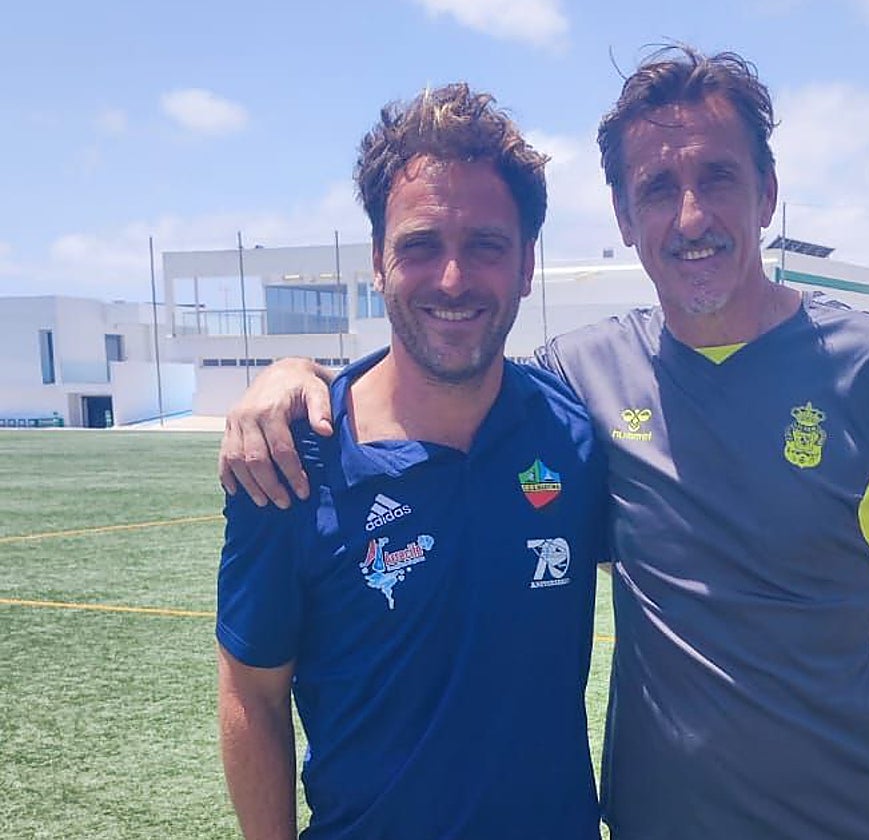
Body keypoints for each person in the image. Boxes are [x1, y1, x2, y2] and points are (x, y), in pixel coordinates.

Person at [220, 47, 869, 840]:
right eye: (657, 189)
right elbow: (250, 691)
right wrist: (288, 371)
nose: (690, 218)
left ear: (768, 194)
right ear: (624, 215)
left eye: (717, 177)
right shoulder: (560, 389)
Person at [215, 84, 610, 840]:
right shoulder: (289, 458)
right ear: (377, 261)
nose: (453, 279)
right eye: (421, 245)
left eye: (485, 246)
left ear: (527, 264)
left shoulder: (574, 434)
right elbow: (252, 694)